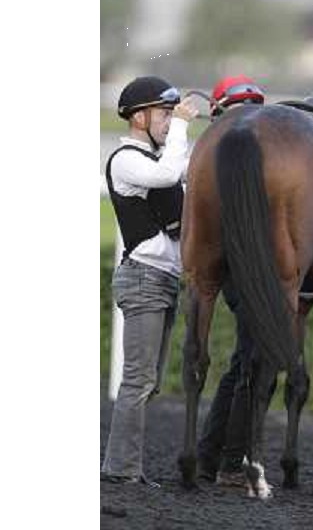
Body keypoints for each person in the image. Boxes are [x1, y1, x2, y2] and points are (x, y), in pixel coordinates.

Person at [101, 76, 200, 487]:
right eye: (162, 114)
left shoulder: (160, 156)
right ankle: (120, 469)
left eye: (168, 114)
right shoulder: (127, 159)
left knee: (148, 382)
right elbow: (167, 175)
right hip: (143, 278)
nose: (167, 121)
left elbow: (183, 175)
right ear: (139, 118)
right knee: (139, 380)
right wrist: (181, 127)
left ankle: (124, 467)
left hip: (162, 279)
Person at [195, 74, 271, 486]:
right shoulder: (223, 157)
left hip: (234, 273)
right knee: (253, 363)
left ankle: (210, 459)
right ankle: (228, 464)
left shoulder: (212, 151)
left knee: (243, 362)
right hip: (244, 273)